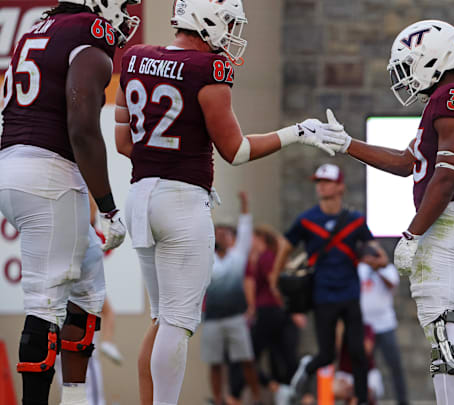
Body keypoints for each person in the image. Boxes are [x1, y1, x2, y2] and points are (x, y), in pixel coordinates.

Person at [113, 1, 339, 403]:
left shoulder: (134, 57)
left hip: (139, 196)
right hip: (181, 202)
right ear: (206, 20)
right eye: (230, 21)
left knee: (161, 319)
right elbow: (235, 151)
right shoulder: (209, 70)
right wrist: (298, 131)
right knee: (177, 323)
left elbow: (124, 142)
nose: (233, 31)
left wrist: (161, 158)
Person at [319, 20, 454, 405]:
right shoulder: (451, 99)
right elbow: (406, 162)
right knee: (453, 328)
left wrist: (413, 233)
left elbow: (447, 176)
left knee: (442, 331)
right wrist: (348, 144)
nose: (406, 76)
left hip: (448, 219)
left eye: (409, 63)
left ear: (432, 57)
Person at [0, 1, 136, 403]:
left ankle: (76, 398)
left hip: (16, 163)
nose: (127, 14)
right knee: (45, 300)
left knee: (89, 288)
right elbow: (82, 126)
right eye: (123, 4)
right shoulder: (89, 32)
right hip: (47, 171)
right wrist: (109, 206)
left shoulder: (41, 28)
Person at [277, 163, 387, 405]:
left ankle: (359, 399)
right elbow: (285, 246)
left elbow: (380, 256)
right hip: (323, 295)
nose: (322, 186)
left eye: (327, 182)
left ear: (340, 187)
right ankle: (306, 370)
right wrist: (279, 277)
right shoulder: (307, 220)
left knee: (358, 352)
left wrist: (374, 260)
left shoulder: (356, 221)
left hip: (350, 294)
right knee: (327, 355)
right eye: (319, 182)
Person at [201, 191, 261, 405]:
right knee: (215, 362)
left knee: (246, 360)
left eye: (226, 233)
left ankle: (256, 398)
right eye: (218, 232)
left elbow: (245, 229)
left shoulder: (238, 257)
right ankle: (218, 400)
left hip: (236, 316)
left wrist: (244, 205)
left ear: (231, 237)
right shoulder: (208, 259)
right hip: (212, 318)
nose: (222, 236)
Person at [246, 224, 303, 403]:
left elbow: (274, 283)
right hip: (273, 311)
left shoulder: (266, 257)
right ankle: (281, 389)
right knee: (277, 354)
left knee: (250, 356)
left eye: (252, 238)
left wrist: (291, 310)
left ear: (260, 239)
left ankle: (277, 387)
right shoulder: (262, 258)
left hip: (269, 311)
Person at [357, 246, 409, 405]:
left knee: (395, 365)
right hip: (365, 325)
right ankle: (363, 398)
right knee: (363, 365)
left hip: (385, 324)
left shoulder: (388, 269)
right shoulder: (359, 269)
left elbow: (391, 285)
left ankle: (402, 401)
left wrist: (379, 267)